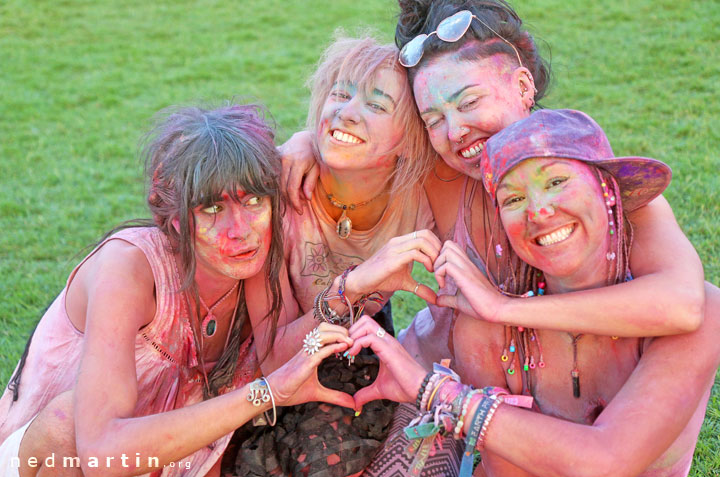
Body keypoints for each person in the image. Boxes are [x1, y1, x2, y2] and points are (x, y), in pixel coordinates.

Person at [280, 1, 705, 371]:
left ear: (522, 86)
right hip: (438, 374)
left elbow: (684, 302)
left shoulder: (595, 182)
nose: (455, 130)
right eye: (433, 119)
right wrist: (305, 144)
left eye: (469, 103)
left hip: (561, 388)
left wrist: (508, 310)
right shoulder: (439, 171)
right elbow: (363, 135)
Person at [346, 109, 720, 477]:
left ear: (607, 190)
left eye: (557, 181)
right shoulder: (494, 334)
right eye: (512, 200)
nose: (538, 211)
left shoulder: (700, 315)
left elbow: (606, 461)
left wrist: (435, 390)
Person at [0, 104, 356, 477]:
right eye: (212, 208)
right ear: (172, 216)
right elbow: (100, 455)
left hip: (169, 469)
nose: (240, 230)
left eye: (253, 201)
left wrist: (359, 284)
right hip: (54, 465)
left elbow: (280, 356)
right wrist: (264, 393)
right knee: (65, 422)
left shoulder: (253, 267)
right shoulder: (128, 269)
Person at [226, 35, 459, 477]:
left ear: (411, 137)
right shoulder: (278, 192)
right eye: (339, 92)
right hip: (259, 354)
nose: (346, 111)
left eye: (376, 104)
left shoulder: (424, 197)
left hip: (354, 345)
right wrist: (354, 284)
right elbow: (275, 359)